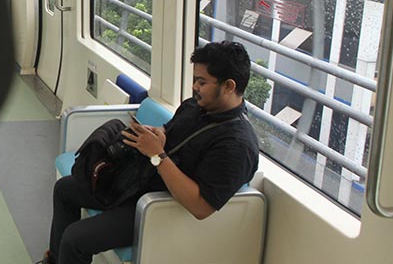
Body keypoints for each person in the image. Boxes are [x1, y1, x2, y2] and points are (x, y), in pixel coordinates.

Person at [42, 41, 260, 264]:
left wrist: (157, 155)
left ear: (229, 86)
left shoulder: (237, 145)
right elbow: (170, 133)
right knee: (64, 189)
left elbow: (200, 206)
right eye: (194, 79)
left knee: (75, 239)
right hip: (137, 182)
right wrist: (158, 134)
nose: (194, 87)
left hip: (158, 206)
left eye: (201, 82)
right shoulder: (193, 107)